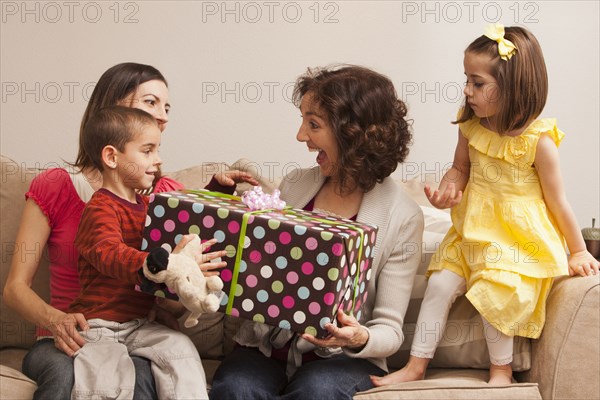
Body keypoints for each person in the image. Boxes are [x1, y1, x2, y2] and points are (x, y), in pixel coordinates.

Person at [2, 62, 255, 400]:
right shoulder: (57, 187)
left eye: (167, 108)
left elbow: (185, 248)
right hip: (73, 331)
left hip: (137, 327)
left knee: (144, 373)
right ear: (112, 107)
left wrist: (217, 196)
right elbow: (15, 288)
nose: (163, 117)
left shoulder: (161, 193)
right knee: (67, 373)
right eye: (151, 103)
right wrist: (56, 321)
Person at [371, 24, 600, 388]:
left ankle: (502, 372)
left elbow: (558, 202)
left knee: (499, 291)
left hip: (515, 240)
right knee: (440, 285)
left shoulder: (538, 142)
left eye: (477, 83)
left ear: (513, 87)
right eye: (466, 79)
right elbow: (459, 169)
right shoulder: (470, 126)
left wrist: (576, 250)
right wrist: (448, 189)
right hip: (471, 232)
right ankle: (416, 364)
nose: (467, 90)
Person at [209, 65, 424, 400]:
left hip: (343, 360)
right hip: (267, 347)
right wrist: (223, 201)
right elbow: (250, 259)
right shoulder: (296, 184)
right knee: (237, 388)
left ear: (352, 132)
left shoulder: (403, 215)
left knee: (317, 392)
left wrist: (358, 338)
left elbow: (389, 329)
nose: (300, 135)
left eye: (314, 124)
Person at [68, 106, 210, 399]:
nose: (158, 160)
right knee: (107, 384)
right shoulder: (100, 208)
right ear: (112, 157)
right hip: (99, 326)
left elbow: (181, 227)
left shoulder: (148, 207)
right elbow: (109, 252)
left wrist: (218, 192)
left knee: (181, 350)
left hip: (139, 323)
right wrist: (151, 263)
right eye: (147, 151)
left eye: (157, 150)